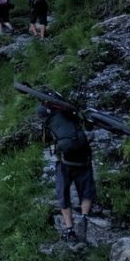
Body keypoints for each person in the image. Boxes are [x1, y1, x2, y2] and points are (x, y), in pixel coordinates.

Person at [40, 101, 95, 243]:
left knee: (63, 193)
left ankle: (70, 230)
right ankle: (84, 217)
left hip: (65, 161)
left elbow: (46, 141)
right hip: (83, 156)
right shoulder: (70, 112)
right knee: (86, 189)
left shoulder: (49, 121)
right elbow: (86, 125)